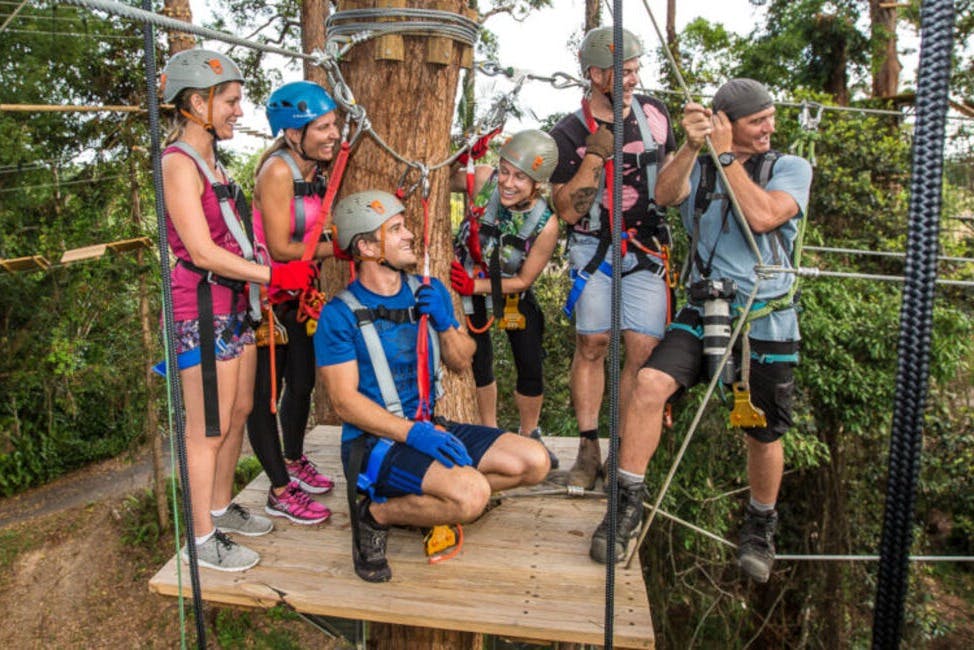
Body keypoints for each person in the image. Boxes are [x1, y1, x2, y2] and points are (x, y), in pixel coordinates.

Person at [589, 78, 812, 585]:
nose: (770, 128)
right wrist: (693, 147)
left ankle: (760, 526)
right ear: (727, 122)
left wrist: (728, 154)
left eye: (770, 117)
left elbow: (763, 217)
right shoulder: (704, 167)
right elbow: (664, 195)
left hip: (765, 316)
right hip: (704, 306)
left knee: (762, 431)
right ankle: (625, 506)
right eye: (759, 121)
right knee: (648, 385)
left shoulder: (790, 168)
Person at [313, 190, 550, 582]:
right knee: (472, 494)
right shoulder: (338, 316)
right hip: (375, 443)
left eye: (406, 225)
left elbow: (461, 360)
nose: (410, 235)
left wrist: (445, 322)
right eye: (396, 229)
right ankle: (375, 514)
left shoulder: (429, 289)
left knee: (535, 461)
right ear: (368, 246)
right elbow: (344, 403)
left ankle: (434, 501)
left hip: (429, 425)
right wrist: (413, 435)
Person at [160, 49, 317, 571]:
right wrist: (275, 275)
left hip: (235, 305)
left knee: (239, 412)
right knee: (205, 427)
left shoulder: (212, 162)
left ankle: (220, 508)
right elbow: (201, 251)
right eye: (229, 102)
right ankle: (201, 540)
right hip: (200, 311)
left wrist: (263, 281)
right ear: (196, 103)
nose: (238, 112)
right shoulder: (177, 164)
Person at [548, 26, 677, 489]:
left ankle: (625, 450)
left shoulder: (656, 117)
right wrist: (593, 158)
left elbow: (675, 175)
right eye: (623, 72)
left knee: (643, 352)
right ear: (595, 74)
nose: (633, 79)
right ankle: (588, 448)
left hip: (644, 246)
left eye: (636, 70)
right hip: (593, 246)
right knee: (593, 343)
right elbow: (566, 210)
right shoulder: (568, 133)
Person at [247, 81, 342, 526]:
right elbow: (282, 247)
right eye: (322, 126)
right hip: (268, 300)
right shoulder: (278, 172)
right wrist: (340, 248)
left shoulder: (315, 171)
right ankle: (278, 490)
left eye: (334, 124)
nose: (333, 133)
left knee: (302, 383)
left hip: (298, 298)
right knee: (266, 396)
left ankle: (293, 457)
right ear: (292, 133)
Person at [449, 129, 561, 467]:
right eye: (506, 171)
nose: (508, 183)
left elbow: (525, 279)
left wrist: (476, 286)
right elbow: (443, 178)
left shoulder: (546, 223)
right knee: (478, 359)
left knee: (529, 359)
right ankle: (488, 431)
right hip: (469, 280)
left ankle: (530, 433)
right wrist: (463, 156)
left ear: (537, 185)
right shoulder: (484, 179)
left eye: (520, 178)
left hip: (508, 288)